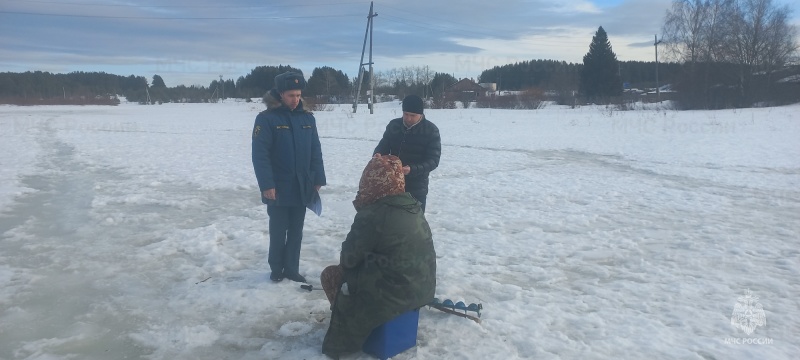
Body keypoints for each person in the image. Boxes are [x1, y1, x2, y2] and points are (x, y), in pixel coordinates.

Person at [320, 155, 437, 358]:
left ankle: (350, 331)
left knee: (331, 275)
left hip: (393, 295)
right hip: (421, 289)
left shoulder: (374, 214)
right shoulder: (413, 206)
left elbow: (348, 259)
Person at [251, 70, 326, 283]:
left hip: (302, 184)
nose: (296, 99)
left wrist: (318, 179)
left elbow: (315, 150)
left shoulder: (307, 119)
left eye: (298, 95)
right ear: (280, 94)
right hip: (278, 186)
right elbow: (260, 155)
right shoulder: (266, 119)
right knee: (278, 229)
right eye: (291, 95)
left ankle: (292, 268)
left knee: (296, 230)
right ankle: (276, 268)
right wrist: (267, 184)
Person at [373, 94, 441, 212]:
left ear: (420, 114)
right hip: (391, 183)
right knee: (390, 221)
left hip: (416, 187)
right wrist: (378, 154)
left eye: (412, 115)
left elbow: (433, 161)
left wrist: (412, 169)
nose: (408, 118)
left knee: (413, 225)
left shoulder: (431, 130)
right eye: (406, 114)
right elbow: (383, 145)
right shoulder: (394, 125)